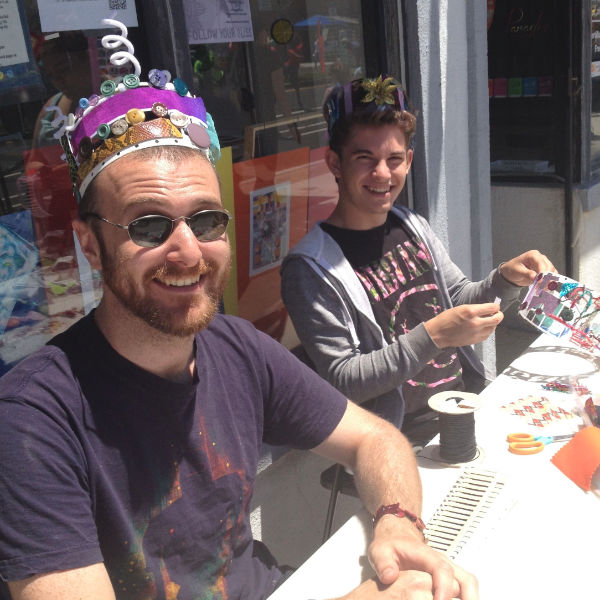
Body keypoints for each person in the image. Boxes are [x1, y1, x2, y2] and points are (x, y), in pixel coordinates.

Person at [0, 29, 477, 600]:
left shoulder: (235, 347)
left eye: (206, 221)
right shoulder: (33, 417)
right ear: (88, 244)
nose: (187, 251)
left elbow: (374, 438)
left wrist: (397, 523)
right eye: (148, 225)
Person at [281, 75, 555, 437]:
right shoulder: (309, 268)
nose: (382, 173)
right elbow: (342, 379)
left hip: (465, 406)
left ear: (408, 161)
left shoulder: (410, 224)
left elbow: (457, 297)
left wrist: (505, 278)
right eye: (365, 159)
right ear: (334, 162)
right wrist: (435, 336)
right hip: (395, 441)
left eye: (393, 159)